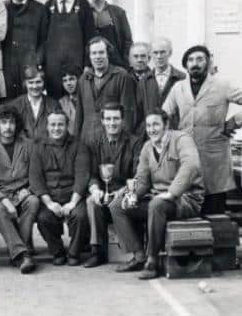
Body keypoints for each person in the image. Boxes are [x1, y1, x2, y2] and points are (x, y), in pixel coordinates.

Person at [109, 109, 204, 280]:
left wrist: (172, 193)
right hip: (158, 200)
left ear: (166, 125)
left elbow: (191, 165)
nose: (151, 129)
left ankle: (152, 260)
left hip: (186, 200)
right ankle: (139, 256)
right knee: (117, 206)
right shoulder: (147, 147)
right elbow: (142, 180)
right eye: (148, 126)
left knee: (156, 205)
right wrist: (131, 195)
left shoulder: (182, 139)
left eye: (156, 124)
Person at [163, 45, 242, 214]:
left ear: (208, 62)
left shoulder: (222, 85)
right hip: (186, 159)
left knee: (215, 215)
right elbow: (163, 115)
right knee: (188, 215)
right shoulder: (178, 88)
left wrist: (234, 121)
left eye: (200, 59)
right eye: (190, 60)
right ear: (185, 65)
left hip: (214, 159)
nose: (195, 64)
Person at [83, 102, 142, 268]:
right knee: (90, 201)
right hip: (104, 191)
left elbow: (138, 174)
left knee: (121, 203)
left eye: (116, 118)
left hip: (126, 192)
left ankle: (133, 253)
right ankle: (97, 252)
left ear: (122, 120)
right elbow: (92, 174)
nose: (112, 123)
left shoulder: (135, 142)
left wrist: (122, 192)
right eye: (108, 119)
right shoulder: (94, 142)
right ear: (102, 121)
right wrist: (95, 189)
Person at [30, 110, 90, 266]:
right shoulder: (38, 147)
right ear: (47, 126)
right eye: (53, 124)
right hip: (50, 196)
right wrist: (49, 203)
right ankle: (57, 251)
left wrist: (73, 202)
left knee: (81, 216)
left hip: (73, 196)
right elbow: (35, 178)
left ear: (67, 126)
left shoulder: (79, 145)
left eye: (60, 124)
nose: (57, 128)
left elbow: (82, 175)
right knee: (43, 218)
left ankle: (74, 252)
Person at [0, 105, 38, 273]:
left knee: (33, 202)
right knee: (0, 209)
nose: (8, 127)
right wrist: (5, 200)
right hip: (0, 195)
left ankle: (19, 251)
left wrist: (28, 190)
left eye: (12, 122)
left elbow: (35, 175)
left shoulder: (28, 145)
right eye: (4, 122)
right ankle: (22, 253)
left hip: (23, 192)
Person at [44, 0, 95, 99]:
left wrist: (88, 64)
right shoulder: (48, 5)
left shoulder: (83, 4)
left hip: (77, 67)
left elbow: (90, 36)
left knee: (78, 102)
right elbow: (42, 38)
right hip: (53, 69)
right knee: (55, 104)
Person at [74, 37, 136, 146]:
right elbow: (79, 114)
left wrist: (122, 143)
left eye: (101, 52)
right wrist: (76, 142)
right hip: (87, 141)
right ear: (90, 56)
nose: (97, 57)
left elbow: (128, 113)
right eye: (94, 53)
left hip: (112, 141)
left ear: (108, 54)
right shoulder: (83, 79)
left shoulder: (121, 76)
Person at [2, 0, 49, 100]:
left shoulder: (39, 9)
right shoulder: (2, 8)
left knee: (29, 101)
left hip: (29, 66)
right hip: (8, 67)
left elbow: (44, 40)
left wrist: (36, 63)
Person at [135, 37, 185, 135]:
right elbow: (139, 112)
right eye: (155, 53)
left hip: (174, 134)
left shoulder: (182, 78)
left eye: (162, 52)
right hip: (151, 135)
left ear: (170, 53)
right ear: (150, 55)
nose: (159, 56)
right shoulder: (144, 81)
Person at [86, 0, 132, 69]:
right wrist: (85, 65)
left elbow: (127, 40)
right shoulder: (83, 12)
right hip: (91, 65)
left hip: (116, 64)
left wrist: (125, 62)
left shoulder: (118, 12)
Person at [7, 66, 60, 141]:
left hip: (47, 149)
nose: (35, 86)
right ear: (25, 83)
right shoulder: (15, 105)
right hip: (23, 149)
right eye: (31, 82)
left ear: (43, 83)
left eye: (38, 82)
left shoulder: (53, 104)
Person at [58, 64, 82, 135]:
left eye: (71, 79)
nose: (68, 83)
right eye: (65, 81)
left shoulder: (88, 99)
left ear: (80, 79)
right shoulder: (61, 103)